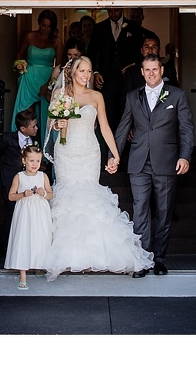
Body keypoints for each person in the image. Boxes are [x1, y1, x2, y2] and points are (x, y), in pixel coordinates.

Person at [44, 56, 154, 281]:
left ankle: (93, 255)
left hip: (89, 152)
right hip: (66, 151)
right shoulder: (60, 95)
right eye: (81, 71)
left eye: (89, 71)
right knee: (68, 199)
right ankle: (69, 256)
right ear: (72, 72)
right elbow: (50, 123)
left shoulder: (96, 96)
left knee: (89, 198)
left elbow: (104, 127)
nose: (85, 75)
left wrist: (115, 153)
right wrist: (57, 124)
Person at [111, 54, 195, 277]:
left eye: (154, 69)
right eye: (146, 70)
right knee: (140, 211)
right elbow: (122, 129)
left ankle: (159, 259)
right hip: (138, 162)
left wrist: (185, 156)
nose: (150, 73)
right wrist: (114, 156)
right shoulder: (132, 96)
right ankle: (142, 259)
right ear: (141, 71)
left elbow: (186, 129)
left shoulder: (177, 95)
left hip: (166, 161)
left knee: (164, 211)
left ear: (162, 70)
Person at [11, 9, 63, 145]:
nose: (45, 29)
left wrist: (49, 85)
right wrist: (20, 66)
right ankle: (22, 148)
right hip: (29, 79)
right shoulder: (29, 36)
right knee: (25, 115)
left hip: (48, 80)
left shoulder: (57, 41)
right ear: (38, 23)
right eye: (43, 25)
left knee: (46, 116)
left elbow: (60, 66)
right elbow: (18, 54)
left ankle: (45, 154)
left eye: (49, 26)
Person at [4, 144, 53, 291]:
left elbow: (50, 194)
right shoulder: (19, 177)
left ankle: (39, 265)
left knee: (40, 237)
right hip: (25, 211)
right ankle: (23, 275)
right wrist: (23, 194)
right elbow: (11, 196)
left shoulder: (43, 176)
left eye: (38, 161)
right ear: (24, 161)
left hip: (40, 211)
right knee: (23, 238)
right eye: (31, 161)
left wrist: (43, 193)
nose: (35, 164)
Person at [87, 7, 142, 132]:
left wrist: (133, 65)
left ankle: (125, 149)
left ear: (122, 9)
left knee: (126, 112)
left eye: (116, 11)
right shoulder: (100, 28)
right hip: (106, 80)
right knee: (108, 114)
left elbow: (140, 54)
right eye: (110, 11)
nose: (113, 14)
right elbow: (91, 53)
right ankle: (110, 148)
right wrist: (95, 72)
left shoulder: (133, 27)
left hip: (127, 79)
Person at [0, 109, 39, 255]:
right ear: (23, 129)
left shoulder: (35, 139)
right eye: (33, 126)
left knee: (25, 212)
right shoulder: (8, 138)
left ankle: (23, 244)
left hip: (28, 181)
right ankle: (4, 244)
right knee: (12, 211)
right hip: (9, 179)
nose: (36, 128)